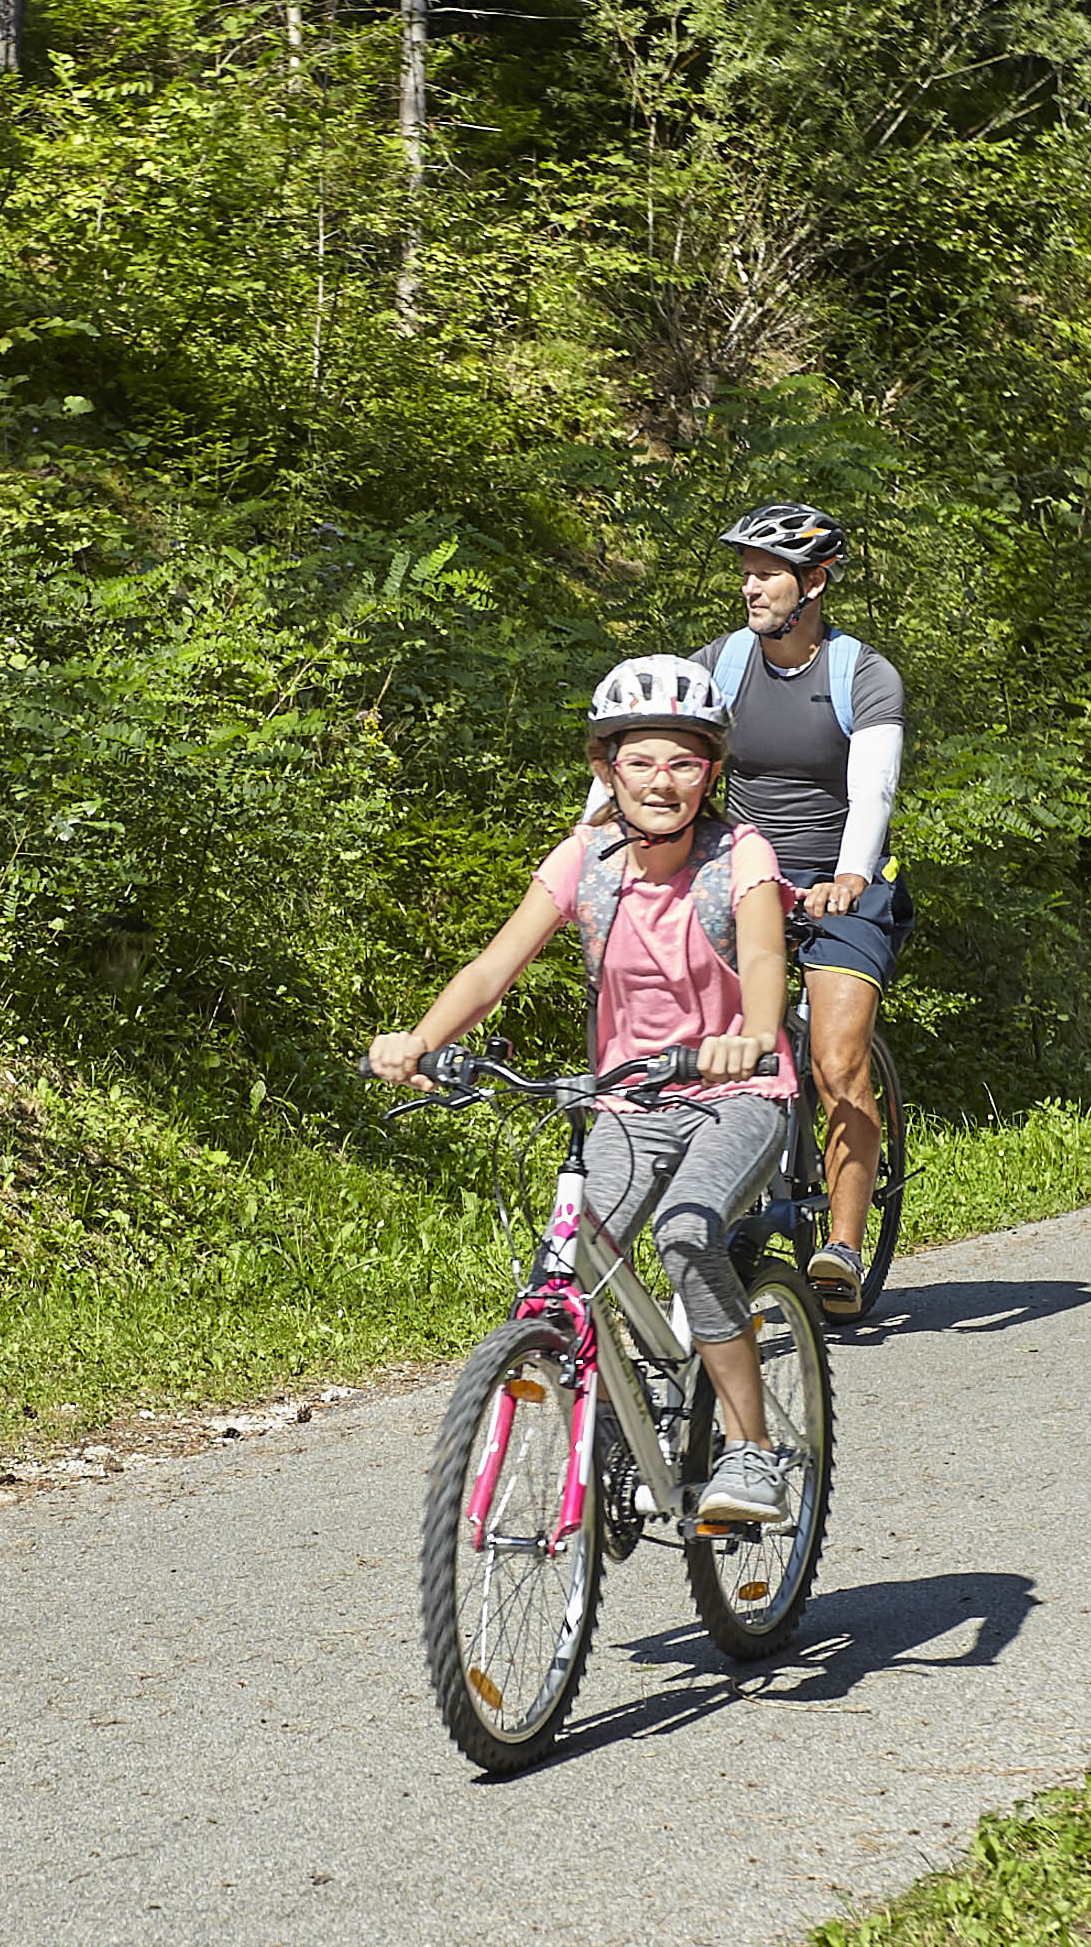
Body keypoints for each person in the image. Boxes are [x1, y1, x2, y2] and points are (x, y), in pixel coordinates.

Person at [379, 656, 810, 1539]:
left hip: (738, 1090)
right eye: (642, 761)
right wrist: (422, 1040)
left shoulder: (741, 857)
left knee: (688, 1234)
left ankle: (750, 1449)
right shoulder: (584, 860)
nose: (663, 781)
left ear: (711, 774)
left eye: (684, 763)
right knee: (574, 1255)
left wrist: (754, 1033)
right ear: (604, 770)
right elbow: (494, 968)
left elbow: (765, 957)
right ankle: (611, 1417)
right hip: (626, 1098)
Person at [582, 502, 908, 1309]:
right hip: (735, 876)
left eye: (766, 573)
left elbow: (873, 791)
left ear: (815, 582)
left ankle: (840, 1245)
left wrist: (851, 876)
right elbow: (645, 752)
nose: (749, 586)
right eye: (745, 572)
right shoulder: (718, 664)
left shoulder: (861, 675)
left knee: (836, 1061)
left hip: (842, 883)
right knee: (706, 1048)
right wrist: (590, 846)